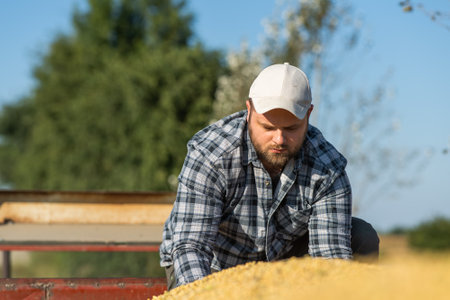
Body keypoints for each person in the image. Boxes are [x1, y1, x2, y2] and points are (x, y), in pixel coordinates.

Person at [160, 62, 379, 289]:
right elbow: (191, 248)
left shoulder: (328, 169)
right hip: (214, 265)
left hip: (282, 263)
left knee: (362, 235)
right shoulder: (211, 156)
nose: (279, 140)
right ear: (248, 111)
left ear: (309, 114)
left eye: (291, 129)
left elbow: (330, 256)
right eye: (267, 128)